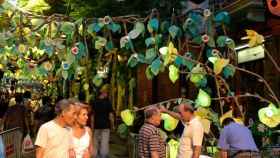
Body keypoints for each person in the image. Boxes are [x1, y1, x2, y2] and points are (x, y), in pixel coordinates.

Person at [92, 85, 114, 158]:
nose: (107, 94)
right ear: (104, 93)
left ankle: (95, 155)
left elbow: (92, 116)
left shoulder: (94, 102)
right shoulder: (108, 103)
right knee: (104, 143)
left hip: (96, 125)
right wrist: (112, 125)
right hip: (105, 126)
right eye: (106, 93)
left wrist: (92, 127)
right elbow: (110, 116)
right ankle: (103, 156)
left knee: (95, 142)